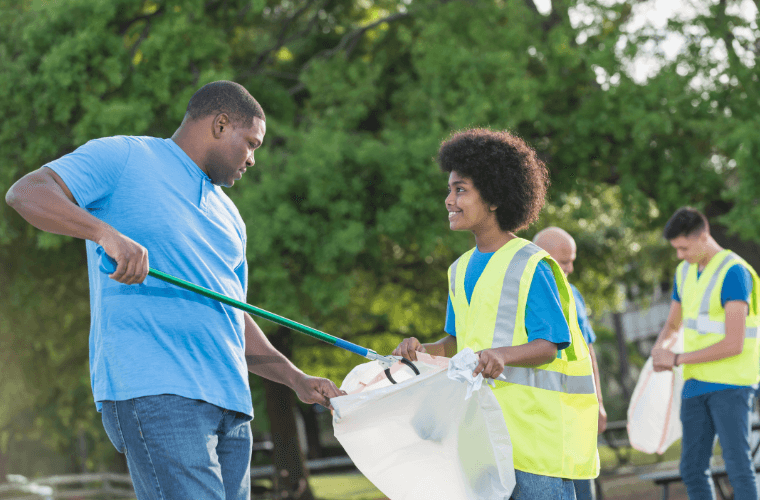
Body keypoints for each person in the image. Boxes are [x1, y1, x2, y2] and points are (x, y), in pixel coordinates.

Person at [5, 81, 343, 500]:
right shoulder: (125, 156)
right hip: (159, 393)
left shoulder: (231, 217)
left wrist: (294, 377)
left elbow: (230, 314)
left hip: (232, 406)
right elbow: (26, 192)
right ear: (220, 125)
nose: (253, 159)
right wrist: (103, 233)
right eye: (251, 143)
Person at [392, 128, 599, 500]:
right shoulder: (458, 270)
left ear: (493, 197)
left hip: (535, 445)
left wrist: (502, 355)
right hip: (483, 437)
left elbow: (550, 344)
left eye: (460, 189)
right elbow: (456, 342)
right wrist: (422, 350)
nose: (448, 200)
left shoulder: (531, 263)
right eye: (449, 189)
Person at [651, 207, 760, 500]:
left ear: (704, 236)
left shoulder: (734, 272)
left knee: (738, 468)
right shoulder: (683, 271)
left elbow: (734, 342)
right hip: (696, 383)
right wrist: (660, 348)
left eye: (684, 247)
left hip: (731, 384)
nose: (679, 255)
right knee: (691, 468)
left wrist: (675, 359)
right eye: (676, 249)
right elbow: (674, 323)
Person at [533, 227, 606, 500]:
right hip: (541, 415)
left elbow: (588, 350)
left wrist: (598, 401)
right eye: (565, 262)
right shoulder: (524, 292)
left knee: (583, 488)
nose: (571, 268)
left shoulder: (572, 294)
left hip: (577, 412)